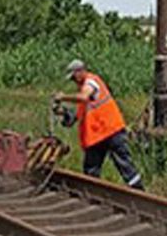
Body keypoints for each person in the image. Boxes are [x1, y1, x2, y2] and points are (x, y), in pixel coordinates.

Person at [53, 59, 143, 188]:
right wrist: (62, 112)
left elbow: (83, 97)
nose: (73, 80)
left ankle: (138, 192)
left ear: (80, 71)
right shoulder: (83, 88)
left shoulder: (91, 81)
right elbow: (76, 116)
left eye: (73, 77)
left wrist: (63, 97)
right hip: (96, 137)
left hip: (111, 132)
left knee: (124, 165)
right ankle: (92, 195)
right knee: (91, 171)